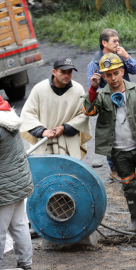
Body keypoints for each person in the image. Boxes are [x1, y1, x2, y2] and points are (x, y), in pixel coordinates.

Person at [83, 53, 136, 236]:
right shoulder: (101, 96)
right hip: (119, 152)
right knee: (129, 188)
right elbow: (88, 111)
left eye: (116, 73)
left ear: (122, 71)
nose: (113, 78)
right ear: (103, 77)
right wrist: (92, 88)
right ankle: (135, 222)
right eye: (108, 75)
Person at [87, 28, 136, 182]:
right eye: (114, 41)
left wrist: (126, 56)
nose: (118, 43)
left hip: (126, 99)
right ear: (104, 43)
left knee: (130, 129)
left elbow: (134, 70)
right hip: (108, 104)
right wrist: (110, 93)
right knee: (111, 134)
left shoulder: (120, 56)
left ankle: (131, 164)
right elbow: (92, 85)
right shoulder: (94, 63)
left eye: (118, 40)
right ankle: (114, 169)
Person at [20, 57, 91, 160]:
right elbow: (27, 114)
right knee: (45, 173)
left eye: (69, 72)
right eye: (62, 72)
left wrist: (64, 128)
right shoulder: (39, 89)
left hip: (68, 143)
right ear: (54, 72)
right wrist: (42, 131)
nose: (66, 75)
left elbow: (83, 114)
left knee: (69, 173)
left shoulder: (78, 90)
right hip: (44, 141)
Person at [0, 96, 33, 270]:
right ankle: (25, 264)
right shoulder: (8, 116)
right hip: (18, 183)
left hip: (4, 188)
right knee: (19, 225)